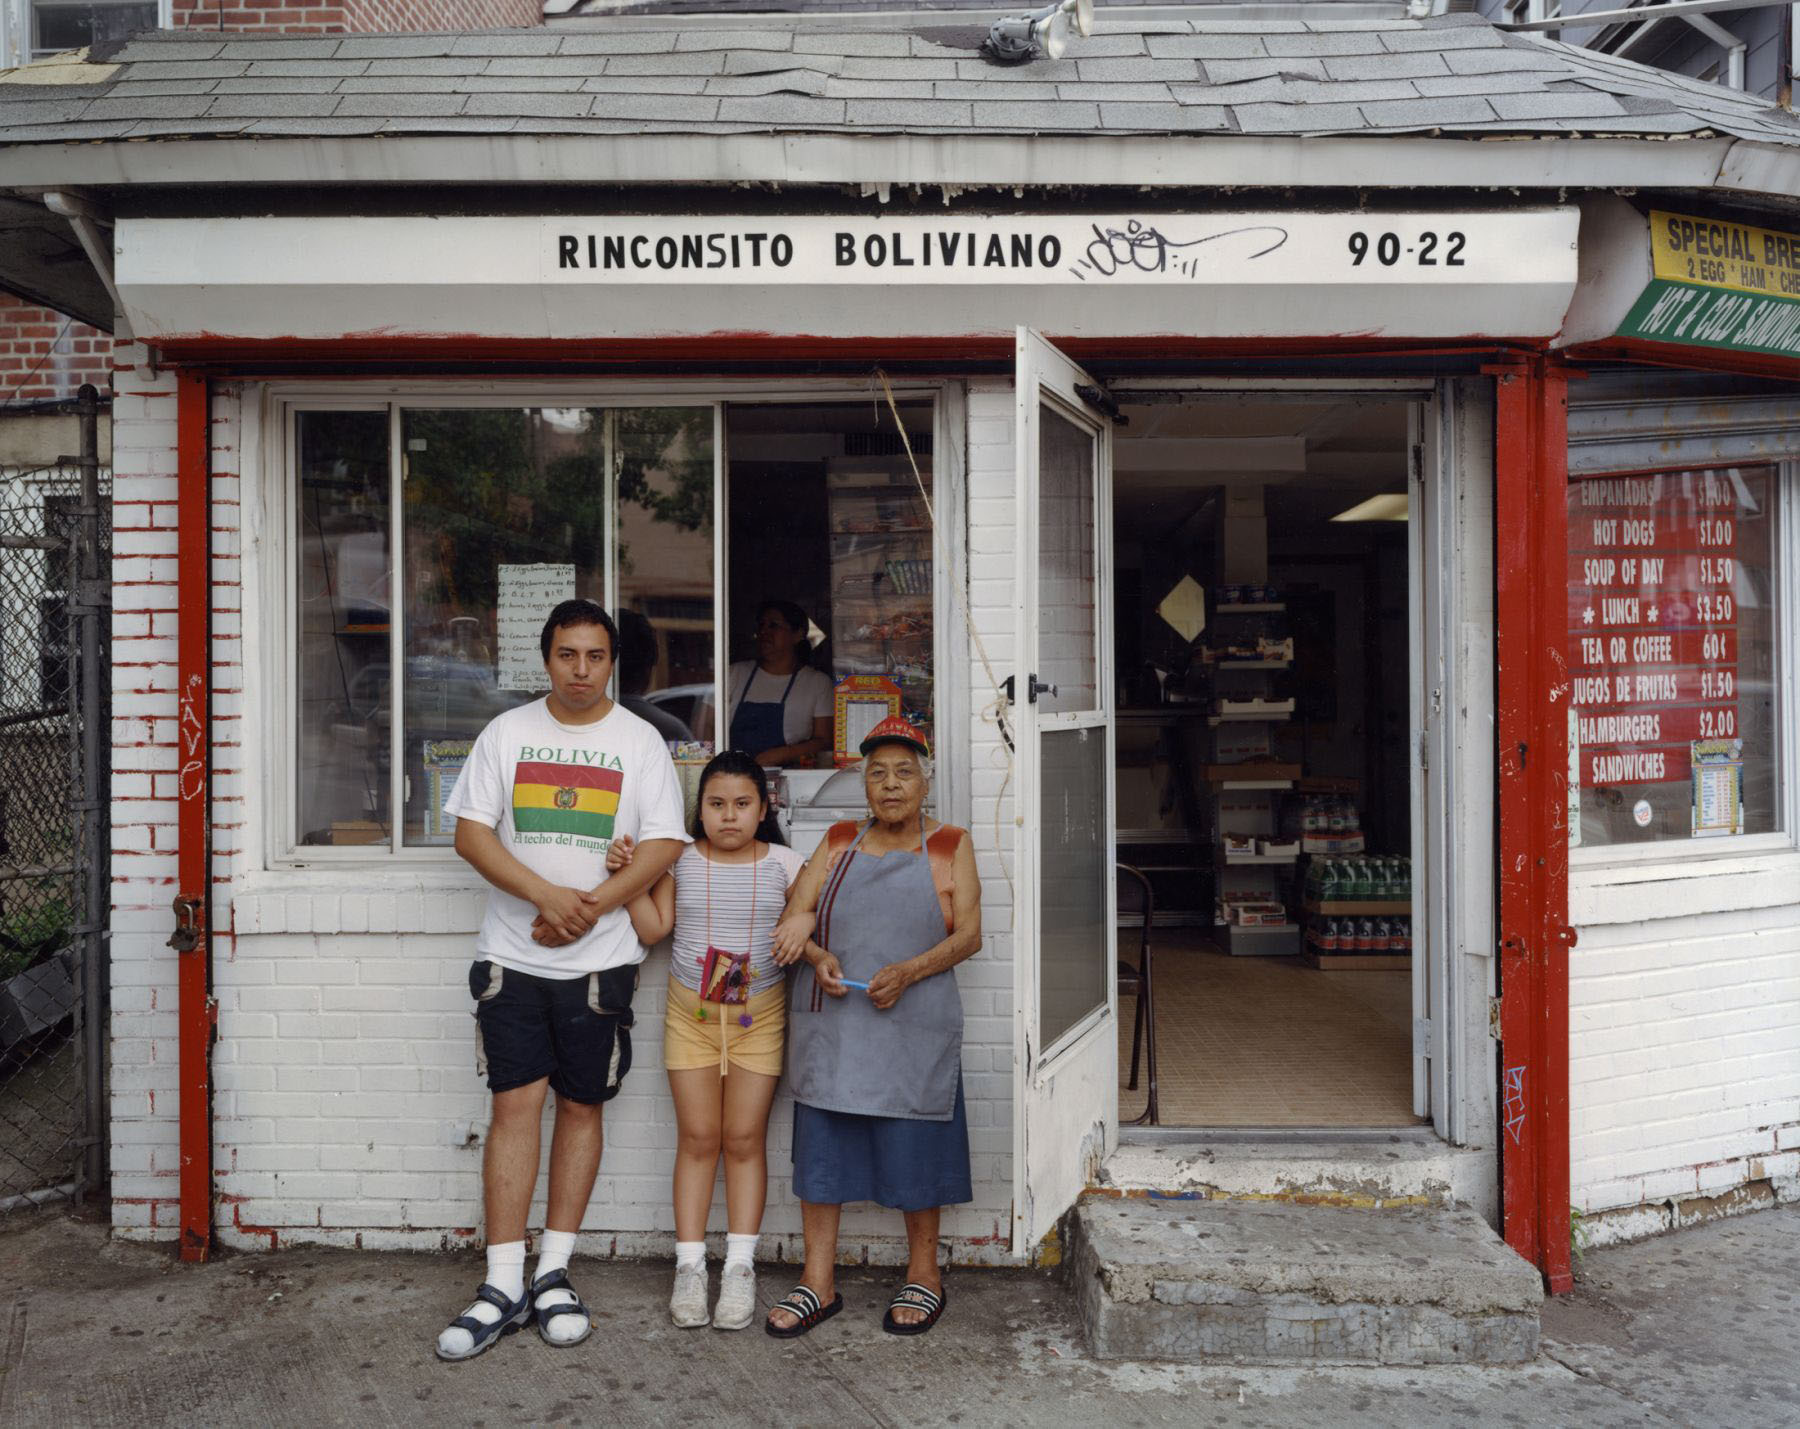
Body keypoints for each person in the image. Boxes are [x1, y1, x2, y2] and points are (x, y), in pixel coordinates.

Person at [434, 598, 690, 1362]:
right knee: (514, 1106)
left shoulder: (640, 741)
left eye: (596, 656)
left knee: (581, 1107)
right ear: (545, 659)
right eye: (568, 655)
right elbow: (470, 833)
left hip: (600, 965)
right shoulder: (507, 733)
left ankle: (553, 1272)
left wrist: (587, 910)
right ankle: (502, 1279)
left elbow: (663, 843)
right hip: (512, 956)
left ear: (613, 661)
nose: (582, 670)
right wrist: (545, 897)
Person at [762, 716, 981, 1340]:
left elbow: (969, 935)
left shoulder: (948, 845)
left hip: (912, 1023)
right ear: (863, 784)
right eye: (877, 773)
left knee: (916, 1147)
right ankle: (818, 1281)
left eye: (903, 773)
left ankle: (924, 1274)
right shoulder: (835, 842)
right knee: (823, 1150)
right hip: (839, 1023)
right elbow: (795, 916)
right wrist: (817, 958)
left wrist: (910, 972)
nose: (890, 785)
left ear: (924, 781)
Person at [605, 751, 806, 1330]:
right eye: (716, 804)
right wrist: (629, 876)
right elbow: (651, 929)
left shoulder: (788, 866)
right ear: (700, 809)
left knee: (743, 1139)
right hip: (690, 1015)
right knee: (697, 1138)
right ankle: (690, 1268)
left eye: (743, 805)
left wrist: (805, 920)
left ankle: (739, 1269)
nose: (729, 817)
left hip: (757, 1017)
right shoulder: (680, 862)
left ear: (764, 808)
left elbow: (819, 912)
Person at [722, 600, 834, 767]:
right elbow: (706, 726)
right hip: (732, 773)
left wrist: (783, 754)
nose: (764, 631)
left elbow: (824, 741)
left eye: (773, 625)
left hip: (789, 777)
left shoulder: (817, 683)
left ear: (797, 635)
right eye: (761, 625)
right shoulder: (734, 674)